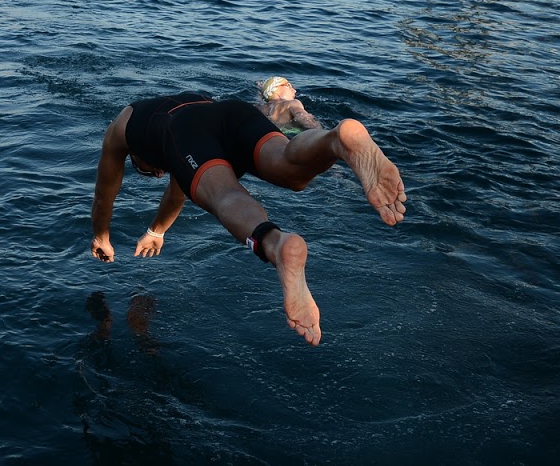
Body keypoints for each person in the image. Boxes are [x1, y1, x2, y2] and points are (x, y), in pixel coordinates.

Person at [90, 92, 406, 346]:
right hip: (231, 113)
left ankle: (275, 242)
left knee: (226, 196)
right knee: (290, 166)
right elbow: (178, 190)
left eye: (150, 171)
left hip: (186, 133)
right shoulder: (163, 110)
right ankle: (336, 140)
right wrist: (156, 231)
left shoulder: (121, 130)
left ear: (137, 159)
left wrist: (101, 236)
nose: (158, 172)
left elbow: (105, 193)